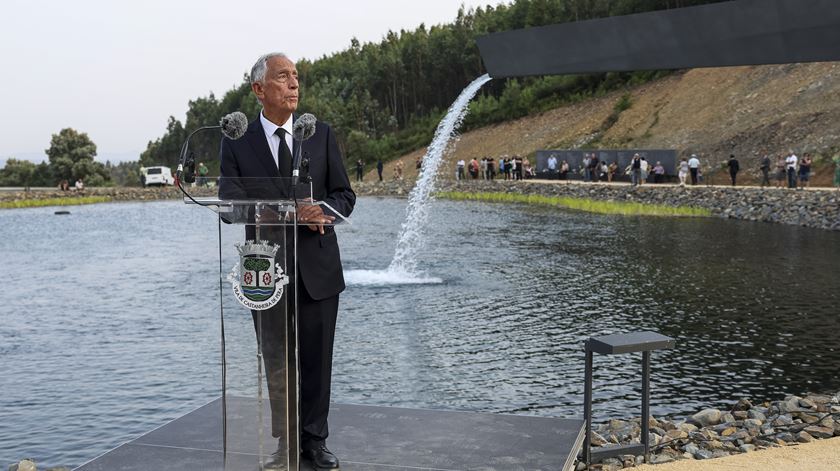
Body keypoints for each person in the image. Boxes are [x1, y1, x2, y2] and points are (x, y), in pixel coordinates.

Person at [218, 52, 355, 471]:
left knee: (317, 358)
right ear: (260, 89)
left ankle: (314, 441)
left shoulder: (320, 134)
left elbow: (344, 195)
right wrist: (270, 212)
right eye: (283, 77)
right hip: (265, 270)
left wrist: (323, 211)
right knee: (277, 361)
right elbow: (228, 204)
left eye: (296, 76)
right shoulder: (236, 141)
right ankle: (286, 443)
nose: (294, 83)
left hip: (317, 269)